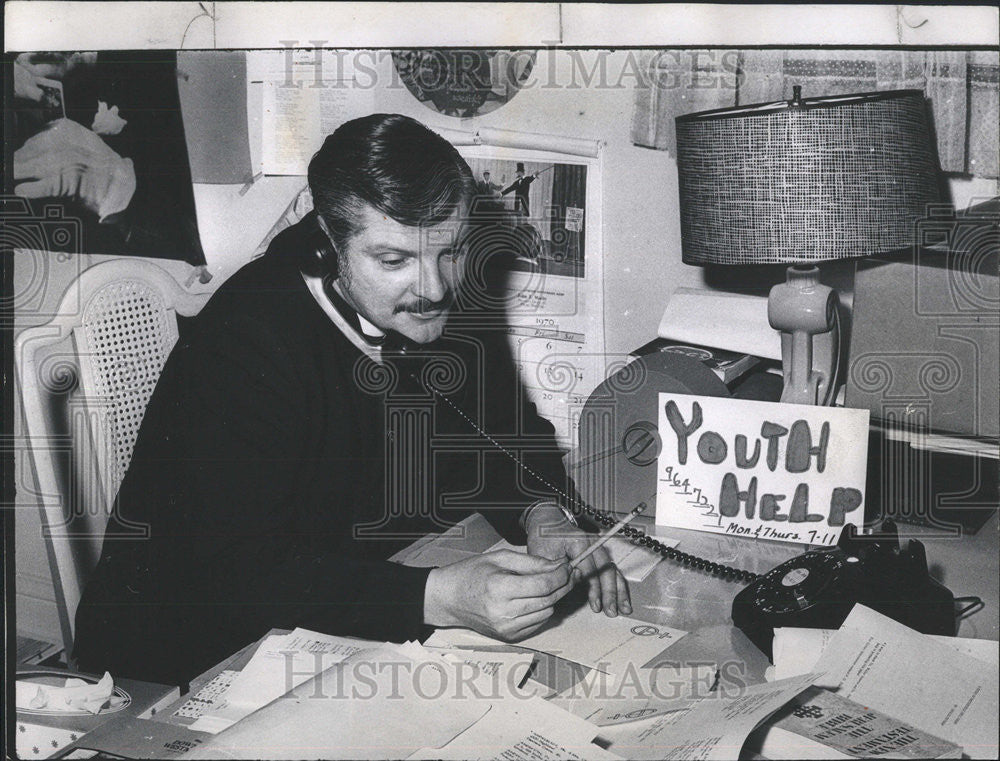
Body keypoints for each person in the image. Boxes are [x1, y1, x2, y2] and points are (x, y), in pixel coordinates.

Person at [73, 114, 628, 686]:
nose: (435, 288)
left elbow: (503, 429)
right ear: (327, 246)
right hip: (182, 653)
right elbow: (237, 570)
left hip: (343, 610)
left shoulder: (427, 303)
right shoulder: (244, 341)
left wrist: (545, 514)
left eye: (451, 251)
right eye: (393, 261)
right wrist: (439, 597)